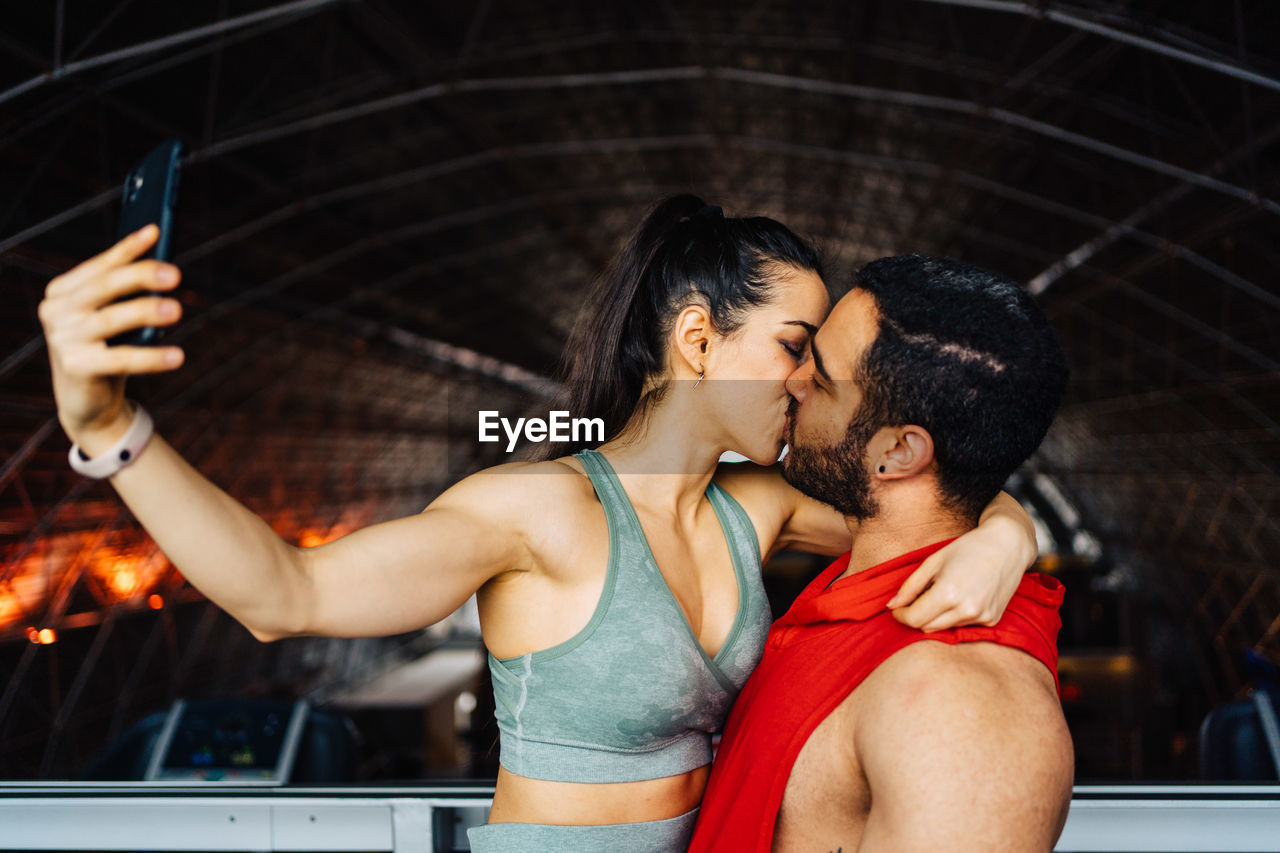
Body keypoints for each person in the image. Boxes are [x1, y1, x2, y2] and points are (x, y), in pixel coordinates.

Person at [38, 197, 1039, 852]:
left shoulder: (760, 508)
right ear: (696, 339)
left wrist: (1007, 532)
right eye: (791, 345)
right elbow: (282, 596)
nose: (808, 378)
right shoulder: (536, 509)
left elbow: (916, 473)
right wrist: (110, 429)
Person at [687, 254, 1074, 853]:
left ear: (897, 453)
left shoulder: (963, 708)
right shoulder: (870, 577)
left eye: (819, 380)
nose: (792, 383)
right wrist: (1007, 533)